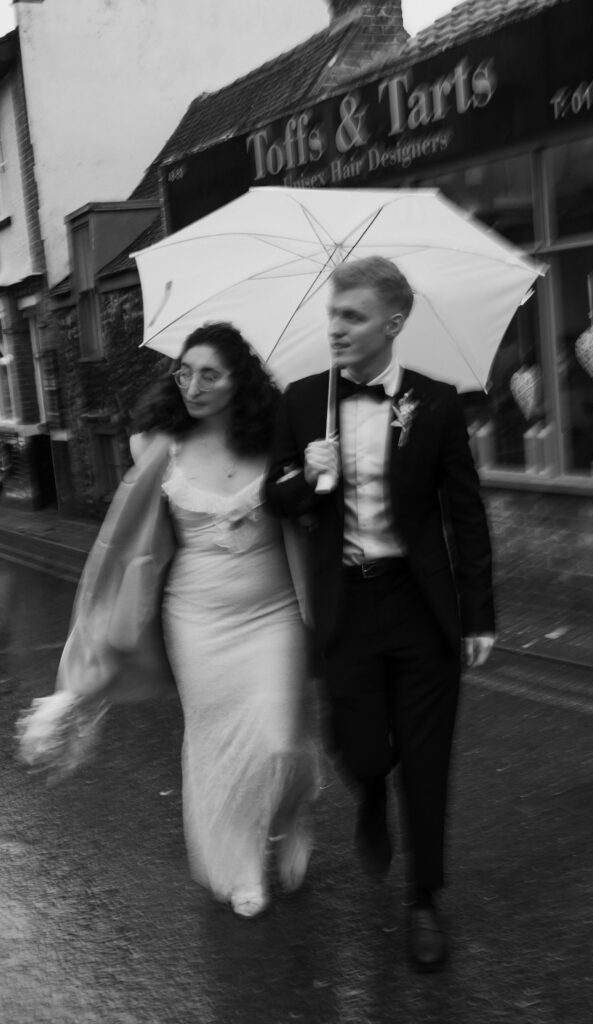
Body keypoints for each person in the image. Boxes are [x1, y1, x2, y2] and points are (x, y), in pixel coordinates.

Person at [18, 322, 318, 920]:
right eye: (184, 371)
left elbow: (300, 528)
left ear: (240, 382)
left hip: (274, 614)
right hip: (197, 622)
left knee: (277, 738)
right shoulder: (158, 446)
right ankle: (238, 865)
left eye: (210, 374)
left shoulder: (277, 440)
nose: (193, 384)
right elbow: (127, 544)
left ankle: (288, 811)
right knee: (218, 744)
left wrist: (314, 480)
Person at [265, 256, 496, 972]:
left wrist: (478, 614)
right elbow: (276, 497)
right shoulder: (303, 401)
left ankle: (423, 899)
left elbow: (464, 511)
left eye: (352, 316)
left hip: (420, 606)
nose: (335, 328)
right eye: (332, 314)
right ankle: (369, 791)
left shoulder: (436, 402)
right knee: (361, 748)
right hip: (347, 605)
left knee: (426, 762)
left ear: (392, 324)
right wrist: (309, 472)